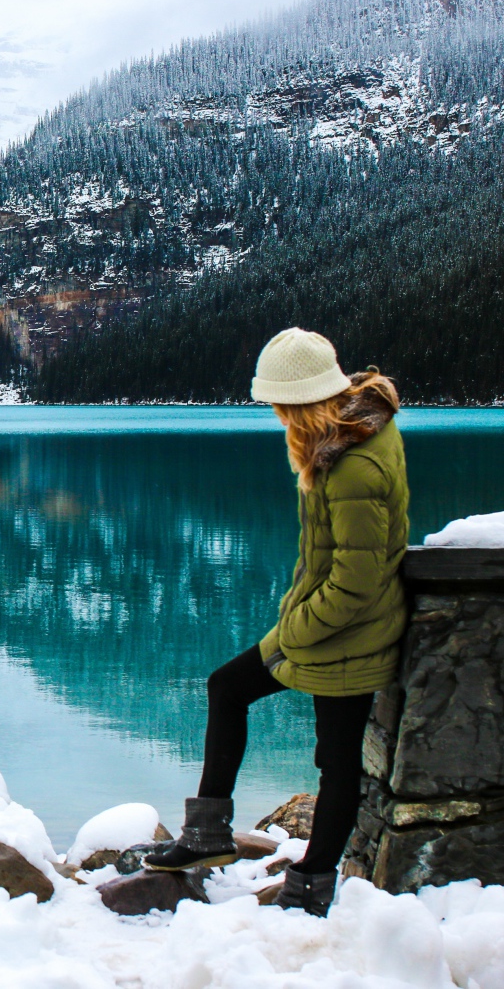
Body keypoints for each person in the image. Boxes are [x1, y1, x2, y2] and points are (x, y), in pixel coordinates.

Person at [143, 328, 409, 917]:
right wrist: (296, 620)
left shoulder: (355, 467)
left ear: (304, 400)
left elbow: (356, 582)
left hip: (350, 634)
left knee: (337, 761)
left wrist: (294, 630)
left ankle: (311, 884)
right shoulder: (345, 436)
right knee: (227, 685)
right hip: (321, 624)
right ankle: (208, 834)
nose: (275, 416)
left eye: (280, 405)